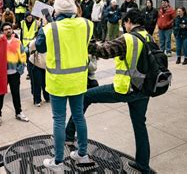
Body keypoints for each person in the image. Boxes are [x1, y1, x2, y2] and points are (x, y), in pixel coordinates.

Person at [65, 9, 154, 173]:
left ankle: (68, 136)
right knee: (140, 126)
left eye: (124, 23)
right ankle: (143, 165)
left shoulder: (128, 39)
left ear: (128, 21)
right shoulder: (148, 36)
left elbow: (101, 51)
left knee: (85, 97)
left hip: (124, 89)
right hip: (143, 90)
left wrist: (86, 38)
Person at [34, 0, 93, 172]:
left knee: (59, 120)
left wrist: (43, 27)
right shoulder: (87, 24)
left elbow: (40, 47)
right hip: (78, 81)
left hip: (58, 82)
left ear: (56, 10)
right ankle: (82, 154)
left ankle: (58, 162)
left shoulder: (49, 28)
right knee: (79, 117)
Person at [0, 22, 29, 127]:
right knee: (0, 94)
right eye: (6, 29)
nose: (8, 30)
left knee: (16, 93)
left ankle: (18, 112)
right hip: (2, 74)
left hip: (14, 73)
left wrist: (20, 69)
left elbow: (22, 55)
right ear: (2, 31)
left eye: (10, 28)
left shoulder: (17, 41)